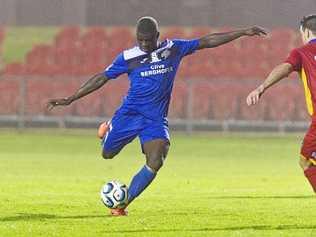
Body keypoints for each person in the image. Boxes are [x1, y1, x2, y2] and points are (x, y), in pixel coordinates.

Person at [47, 16, 266, 216]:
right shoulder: (128, 57)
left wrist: (242, 32)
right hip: (129, 115)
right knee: (107, 155)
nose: (144, 45)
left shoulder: (173, 49)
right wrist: (70, 98)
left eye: (148, 40)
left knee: (157, 158)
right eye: (140, 40)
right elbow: (102, 78)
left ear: (157, 37)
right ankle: (107, 129)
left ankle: (121, 205)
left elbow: (207, 41)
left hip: (154, 120)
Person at [247, 14, 316, 194]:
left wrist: (261, 87)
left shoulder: (302, 52)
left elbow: (284, 68)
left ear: (306, 32)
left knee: (307, 160)